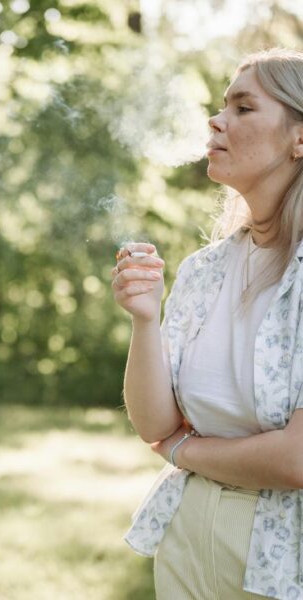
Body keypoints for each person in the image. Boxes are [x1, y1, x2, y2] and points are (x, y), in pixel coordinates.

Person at [112, 48, 303, 600]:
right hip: (188, 534)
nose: (216, 121)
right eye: (222, 106)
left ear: (300, 138)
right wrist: (145, 320)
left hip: (284, 551)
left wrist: (183, 452)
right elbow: (154, 422)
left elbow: (295, 458)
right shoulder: (205, 268)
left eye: (244, 108)